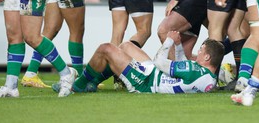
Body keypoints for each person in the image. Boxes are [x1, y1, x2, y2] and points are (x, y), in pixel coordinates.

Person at [72, 31, 224, 94]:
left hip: (146, 82)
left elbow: (159, 61)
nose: (198, 52)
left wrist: (169, 40)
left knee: (105, 48)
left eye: (201, 50)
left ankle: (78, 85)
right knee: (125, 46)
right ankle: (93, 83)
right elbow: (183, 66)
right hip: (153, 73)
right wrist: (178, 45)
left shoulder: (193, 70)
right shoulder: (209, 78)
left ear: (207, 58)